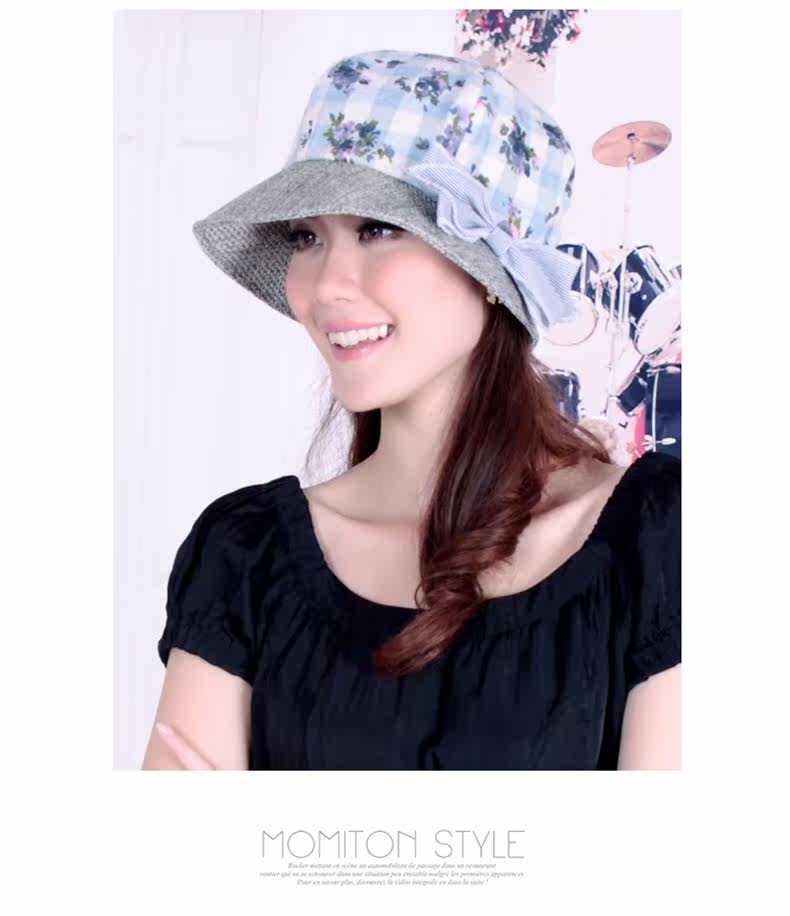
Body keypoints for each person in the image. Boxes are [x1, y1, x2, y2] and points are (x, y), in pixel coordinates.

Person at [142, 49, 681, 771]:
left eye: (378, 228)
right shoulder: (244, 554)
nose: (327, 285)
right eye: (307, 237)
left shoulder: (660, 539)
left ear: (489, 270)